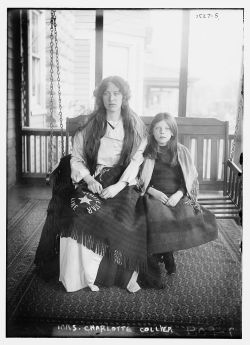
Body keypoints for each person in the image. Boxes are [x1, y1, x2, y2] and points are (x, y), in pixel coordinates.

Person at [54, 76, 148, 293]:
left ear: (124, 97)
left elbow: (136, 161)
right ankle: (83, 277)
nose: (111, 97)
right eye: (106, 93)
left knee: (125, 217)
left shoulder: (134, 126)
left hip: (124, 182)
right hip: (93, 179)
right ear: (101, 97)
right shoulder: (90, 125)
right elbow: (76, 158)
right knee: (79, 214)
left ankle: (122, 276)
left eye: (116, 93)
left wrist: (118, 186)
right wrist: (89, 179)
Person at [138, 113, 218, 279]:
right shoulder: (146, 151)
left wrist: (179, 193)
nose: (162, 132)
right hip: (153, 194)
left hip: (177, 195)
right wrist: (153, 191)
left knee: (188, 213)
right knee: (158, 215)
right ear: (152, 131)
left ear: (173, 132)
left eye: (167, 128)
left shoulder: (181, 151)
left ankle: (163, 250)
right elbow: (138, 177)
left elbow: (188, 178)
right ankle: (167, 254)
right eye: (158, 128)